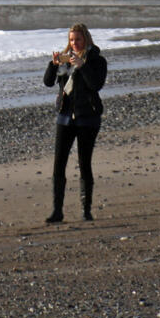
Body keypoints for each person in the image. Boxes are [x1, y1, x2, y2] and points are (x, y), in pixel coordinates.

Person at [42, 23, 108, 223]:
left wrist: (82, 65)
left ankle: (86, 210)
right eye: (71, 40)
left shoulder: (97, 61)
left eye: (78, 40)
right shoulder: (65, 61)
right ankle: (57, 210)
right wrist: (52, 65)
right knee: (58, 163)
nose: (74, 43)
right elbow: (48, 82)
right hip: (65, 116)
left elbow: (96, 85)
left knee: (84, 163)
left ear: (86, 40)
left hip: (88, 116)